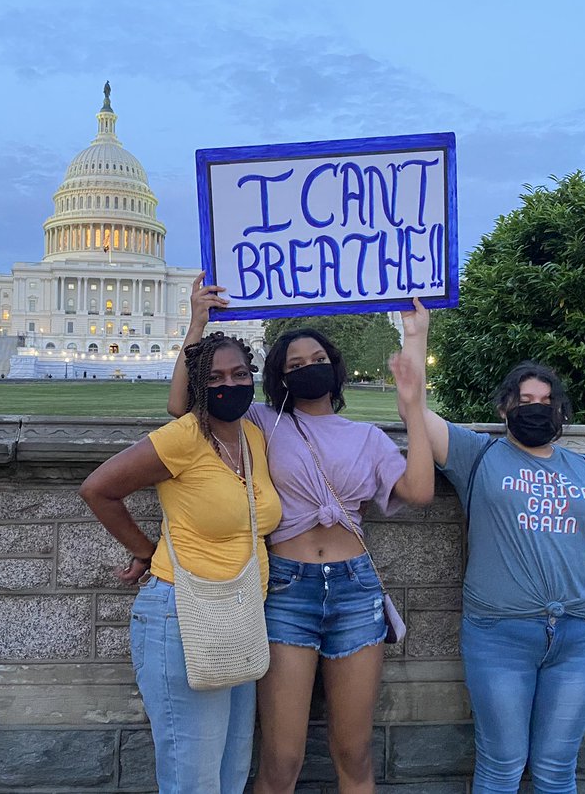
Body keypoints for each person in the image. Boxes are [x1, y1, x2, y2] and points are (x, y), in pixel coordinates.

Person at [168, 273, 435, 794]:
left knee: (353, 752)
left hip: (357, 591)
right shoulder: (263, 424)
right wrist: (198, 321)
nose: (308, 370)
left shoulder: (368, 437)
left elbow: (420, 491)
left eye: (317, 362)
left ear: (334, 371)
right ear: (279, 379)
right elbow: (184, 407)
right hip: (287, 588)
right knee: (282, 757)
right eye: (295, 366)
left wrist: (414, 405)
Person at [407, 303, 585, 793]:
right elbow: (414, 409)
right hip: (500, 637)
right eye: (524, 398)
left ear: (560, 410)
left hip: (577, 636)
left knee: (558, 772)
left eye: (546, 400)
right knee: (502, 767)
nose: (536, 407)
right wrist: (418, 335)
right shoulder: (478, 455)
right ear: (504, 408)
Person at [79, 331, 282, 793]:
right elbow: (98, 489)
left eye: (238, 374)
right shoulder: (183, 437)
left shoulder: (253, 436)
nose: (228, 385)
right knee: (193, 777)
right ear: (196, 388)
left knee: (231, 773)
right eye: (213, 378)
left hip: (241, 615)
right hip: (182, 613)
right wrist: (145, 552)